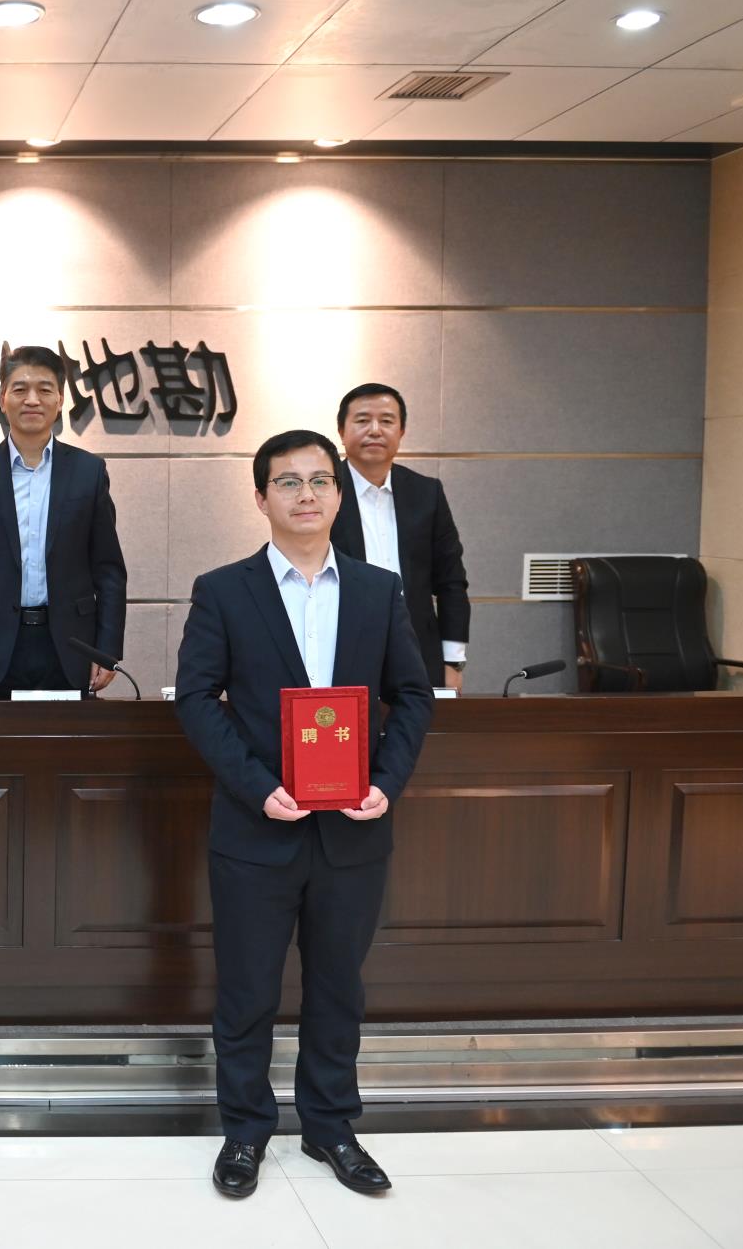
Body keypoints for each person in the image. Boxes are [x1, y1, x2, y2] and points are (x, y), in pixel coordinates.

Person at [174, 429, 433, 1201]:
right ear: (261, 498)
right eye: (288, 482)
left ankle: (330, 1126)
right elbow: (197, 699)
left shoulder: (378, 589)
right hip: (257, 828)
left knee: (337, 987)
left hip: (354, 828)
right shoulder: (223, 589)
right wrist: (257, 786)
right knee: (247, 988)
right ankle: (245, 1130)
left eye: (320, 480)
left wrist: (386, 780)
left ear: (340, 494)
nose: (307, 494)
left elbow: (412, 695)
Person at [0, 346, 128, 698]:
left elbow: (109, 570)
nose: (32, 400)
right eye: (20, 389)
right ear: (2, 398)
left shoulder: (89, 472)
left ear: (60, 399)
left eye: (44, 389)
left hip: (70, 647)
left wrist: (107, 650)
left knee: (69, 734)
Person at [329, 383, 470, 689]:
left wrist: (453, 661)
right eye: (362, 420)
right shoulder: (322, 491)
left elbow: (451, 582)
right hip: (340, 651)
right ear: (341, 431)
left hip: (417, 651)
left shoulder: (427, 493)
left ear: (402, 431)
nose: (375, 430)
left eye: (387, 421)